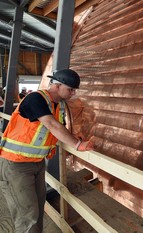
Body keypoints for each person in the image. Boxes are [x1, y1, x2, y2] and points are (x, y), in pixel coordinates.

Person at [0, 68, 94, 233]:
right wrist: (77, 145)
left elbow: (53, 131)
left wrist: (73, 136)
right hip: (16, 165)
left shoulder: (56, 106)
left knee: (37, 210)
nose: (73, 93)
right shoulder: (36, 98)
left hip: (36, 163)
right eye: (70, 89)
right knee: (28, 216)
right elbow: (52, 125)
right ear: (57, 86)